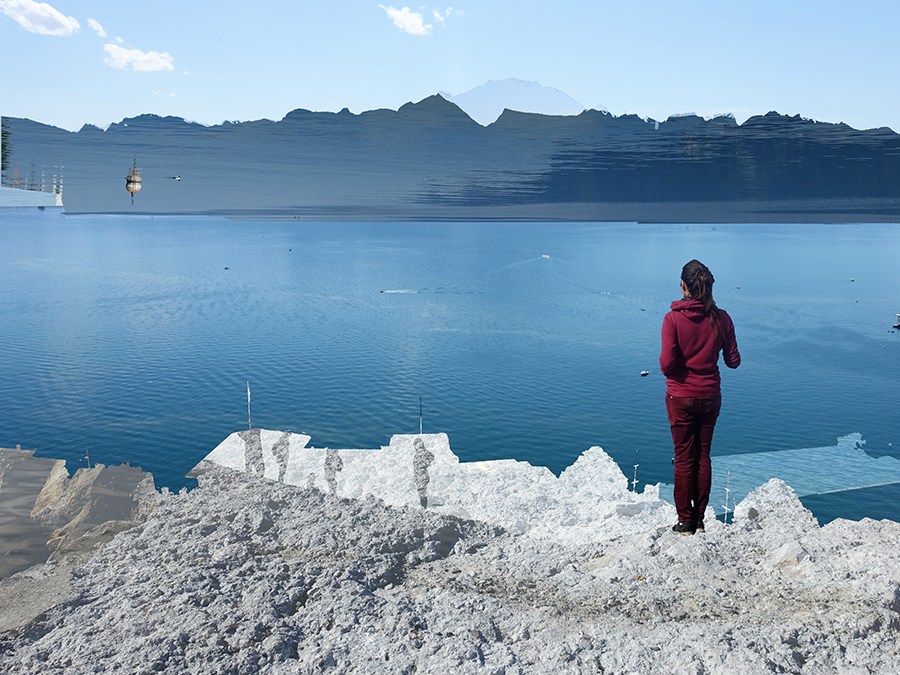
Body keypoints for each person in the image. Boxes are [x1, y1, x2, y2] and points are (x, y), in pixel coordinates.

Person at [660, 259, 741, 535]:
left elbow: (666, 365)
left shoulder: (672, 319)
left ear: (683, 286)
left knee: (684, 457)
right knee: (703, 455)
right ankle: (699, 519)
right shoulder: (722, 318)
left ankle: (684, 521)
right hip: (710, 395)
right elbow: (733, 362)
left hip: (680, 397)